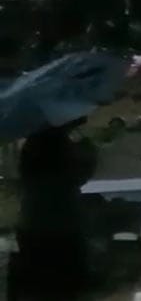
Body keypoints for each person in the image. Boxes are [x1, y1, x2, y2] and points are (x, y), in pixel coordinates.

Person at [7, 118, 97, 301]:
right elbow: (81, 173)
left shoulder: (34, 149)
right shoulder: (58, 149)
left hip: (43, 225)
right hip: (53, 225)